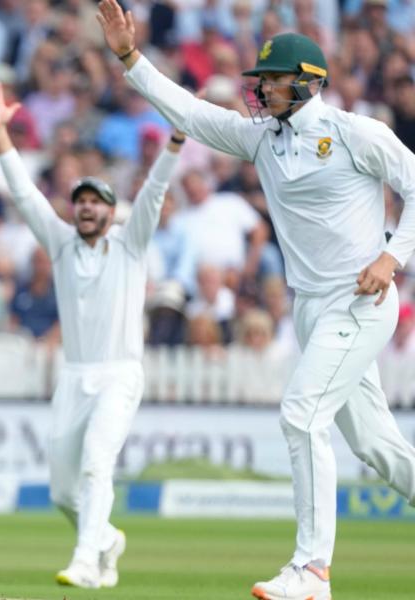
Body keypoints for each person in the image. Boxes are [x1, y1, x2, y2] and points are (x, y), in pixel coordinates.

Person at [96, 3, 415, 599]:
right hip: (311, 306)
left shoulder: (355, 132)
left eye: (271, 79)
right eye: (259, 80)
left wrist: (392, 256)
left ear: (308, 82)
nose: (260, 88)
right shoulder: (260, 139)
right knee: (375, 446)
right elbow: (188, 110)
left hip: (363, 300)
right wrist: (129, 59)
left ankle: (312, 572)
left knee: (300, 414)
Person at [0, 79, 184, 589]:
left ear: (112, 211)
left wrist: (174, 146)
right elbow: (25, 194)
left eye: (97, 202)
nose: (87, 208)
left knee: (98, 464)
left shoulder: (130, 243)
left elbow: (153, 194)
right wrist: (0, 132)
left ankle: (87, 562)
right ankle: (107, 539)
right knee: (61, 493)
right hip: (73, 376)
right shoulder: (61, 243)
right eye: (81, 201)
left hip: (119, 373)